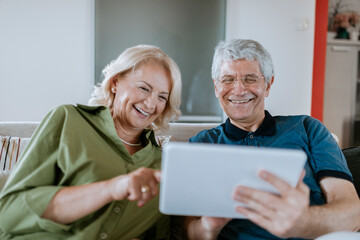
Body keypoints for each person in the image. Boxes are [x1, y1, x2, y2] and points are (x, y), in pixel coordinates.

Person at [0, 44, 182, 240]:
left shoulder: (163, 165)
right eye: (144, 88)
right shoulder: (69, 121)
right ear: (115, 82)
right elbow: (8, 214)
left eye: (162, 97)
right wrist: (113, 188)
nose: (151, 103)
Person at [185, 39, 360, 239]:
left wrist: (304, 223)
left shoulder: (308, 128)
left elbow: (352, 213)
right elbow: (190, 231)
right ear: (216, 87)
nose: (239, 89)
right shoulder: (201, 144)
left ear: (268, 85)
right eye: (228, 79)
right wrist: (210, 226)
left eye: (250, 78)